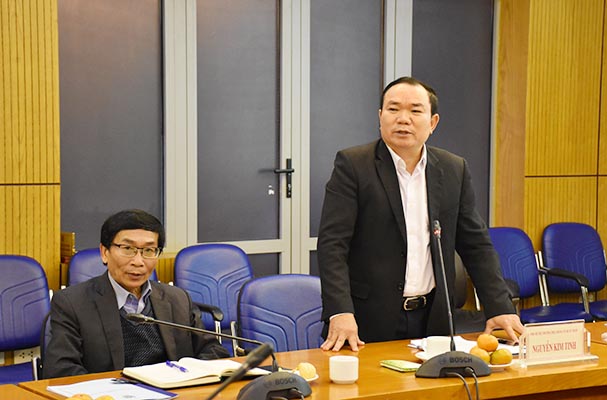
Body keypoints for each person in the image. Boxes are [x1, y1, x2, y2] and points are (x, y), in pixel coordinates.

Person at [317, 76, 524, 352]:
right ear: (380, 116)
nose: (403, 119)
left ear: (433, 122)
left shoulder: (453, 169)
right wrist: (340, 311)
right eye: (393, 109)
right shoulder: (354, 165)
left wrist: (500, 307)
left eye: (415, 111)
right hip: (366, 321)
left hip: (434, 319)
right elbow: (333, 245)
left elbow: (476, 245)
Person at [44, 209, 229, 378]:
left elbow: (213, 351)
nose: (138, 261)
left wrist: (187, 377)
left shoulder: (177, 299)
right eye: (128, 249)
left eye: (149, 250)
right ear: (105, 252)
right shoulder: (72, 303)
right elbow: (61, 370)